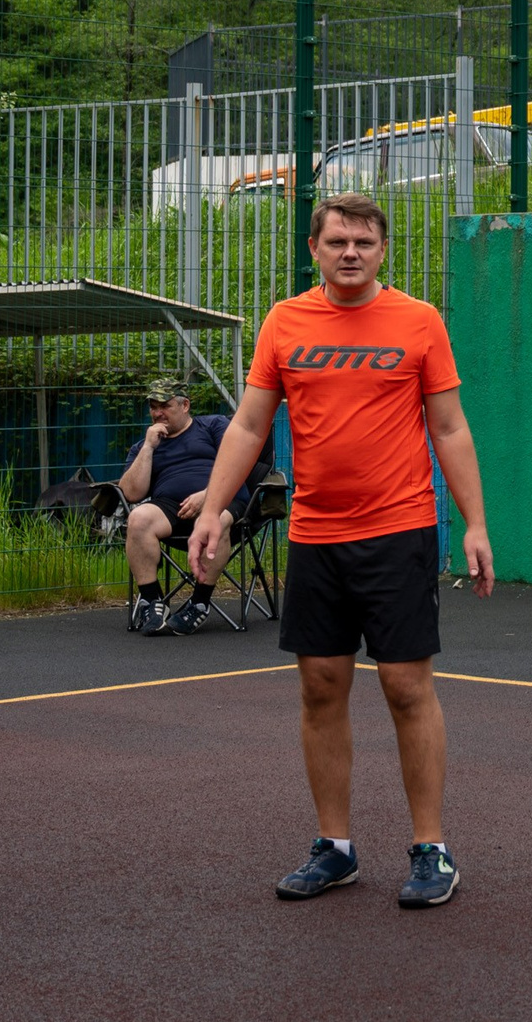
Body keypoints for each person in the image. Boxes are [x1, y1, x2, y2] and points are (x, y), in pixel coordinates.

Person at [192, 192, 493, 909]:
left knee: (404, 687)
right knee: (321, 687)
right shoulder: (285, 321)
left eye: (363, 240)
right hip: (316, 535)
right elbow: (249, 424)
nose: (350, 251)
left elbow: (448, 427)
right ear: (315, 248)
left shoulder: (418, 322)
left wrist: (475, 523)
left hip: (399, 531)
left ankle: (431, 848)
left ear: (382, 249)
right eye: (337, 241)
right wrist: (211, 509)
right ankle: (335, 847)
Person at [116, 376, 266, 635]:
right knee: (138, 518)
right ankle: (152, 603)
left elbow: (240, 462)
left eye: (165, 406)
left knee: (215, 522)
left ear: (185, 405)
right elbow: (130, 493)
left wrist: (209, 495)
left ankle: (199, 603)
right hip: (170, 506)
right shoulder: (144, 446)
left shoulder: (213, 426)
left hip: (226, 499)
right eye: (153, 406)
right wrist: (149, 448)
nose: (157, 413)